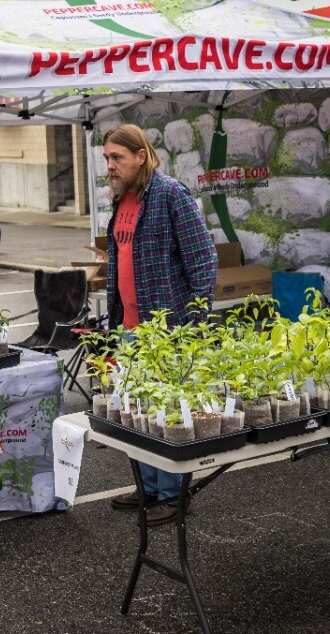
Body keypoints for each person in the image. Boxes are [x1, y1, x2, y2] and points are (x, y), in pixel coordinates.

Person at [103, 124, 217, 527]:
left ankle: (175, 495)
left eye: (117, 157)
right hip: (129, 329)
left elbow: (203, 261)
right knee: (137, 411)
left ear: (141, 155)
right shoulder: (122, 200)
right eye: (107, 158)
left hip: (167, 328)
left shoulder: (171, 194)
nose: (111, 165)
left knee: (167, 414)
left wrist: (192, 325)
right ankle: (149, 487)